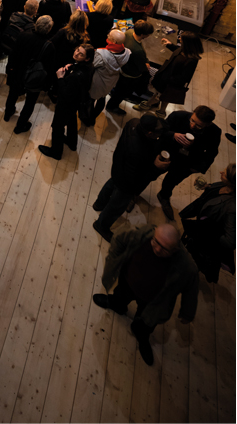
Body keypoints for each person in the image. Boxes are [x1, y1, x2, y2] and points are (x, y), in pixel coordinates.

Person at [93, 223, 198, 366]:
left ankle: (141, 334)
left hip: (154, 301)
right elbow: (119, 238)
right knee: (120, 295)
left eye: (165, 248)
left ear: (176, 249)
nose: (158, 249)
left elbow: (191, 287)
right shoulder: (144, 234)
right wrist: (114, 259)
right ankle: (116, 304)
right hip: (128, 282)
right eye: (156, 242)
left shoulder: (186, 266)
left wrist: (187, 313)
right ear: (154, 233)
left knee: (147, 322)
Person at [92, 114, 169, 242]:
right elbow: (137, 177)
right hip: (127, 183)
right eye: (157, 135)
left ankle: (99, 204)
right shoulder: (139, 150)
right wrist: (156, 167)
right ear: (149, 133)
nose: (158, 137)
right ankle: (101, 225)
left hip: (118, 167)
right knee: (117, 205)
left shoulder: (133, 122)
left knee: (111, 184)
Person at [156, 104, 222, 220]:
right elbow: (161, 131)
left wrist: (198, 167)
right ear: (192, 113)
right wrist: (173, 135)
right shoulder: (178, 116)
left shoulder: (215, 131)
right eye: (192, 120)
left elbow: (212, 152)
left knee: (172, 181)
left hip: (187, 163)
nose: (192, 125)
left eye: (198, 126)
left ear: (208, 124)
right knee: (151, 173)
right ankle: (134, 193)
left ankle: (164, 196)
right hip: (168, 154)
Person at [180, 163, 236, 283]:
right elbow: (214, 194)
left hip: (206, 238)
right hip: (201, 222)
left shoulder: (232, 208)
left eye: (224, 174)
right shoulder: (225, 185)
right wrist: (206, 186)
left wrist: (211, 232)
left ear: (232, 182)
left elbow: (230, 241)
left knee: (194, 257)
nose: (221, 172)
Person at [38, 44, 95, 159]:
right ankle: (71, 142)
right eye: (77, 50)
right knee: (71, 120)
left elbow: (65, 93)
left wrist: (60, 78)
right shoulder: (89, 67)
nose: (77, 53)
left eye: (81, 54)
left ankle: (56, 152)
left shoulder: (76, 76)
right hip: (76, 102)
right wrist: (73, 66)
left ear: (87, 58)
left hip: (66, 104)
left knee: (58, 127)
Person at [135, 31, 204, 116]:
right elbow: (177, 50)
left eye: (181, 38)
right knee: (164, 96)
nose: (179, 39)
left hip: (169, 82)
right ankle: (161, 112)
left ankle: (147, 105)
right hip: (166, 78)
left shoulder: (192, 60)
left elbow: (184, 77)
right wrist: (169, 44)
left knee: (159, 95)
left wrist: (168, 79)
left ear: (187, 43)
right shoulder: (185, 49)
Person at [5, 15, 55, 131]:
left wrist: (10, 69)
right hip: (34, 78)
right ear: (49, 29)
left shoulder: (23, 35)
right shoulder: (49, 46)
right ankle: (20, 125)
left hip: (18, 73)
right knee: (30, 103)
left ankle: (8, 114)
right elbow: (49, 68)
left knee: (12, 94)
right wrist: (46, 85)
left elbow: (13, 54)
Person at [83, 28, 131, 126]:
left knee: (91, 100)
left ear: (114, 41)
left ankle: (90, 118)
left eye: (109, 36)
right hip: (111, 80)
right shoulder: (127, 52)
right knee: (102, 98)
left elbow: (92, 65)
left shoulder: (102, 54)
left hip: (98, 81)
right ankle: (94, 117)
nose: (107, 36)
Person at [107, 20, 155, 116]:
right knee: (122, 93)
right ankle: (112, 106)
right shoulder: (137, 51)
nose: (148, 36)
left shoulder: (129, 33)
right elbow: (142, 67)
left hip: (123, 67)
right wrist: (146, 64)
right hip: (130, 75)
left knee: (118, 89)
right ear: (142, 34)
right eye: (148, 34)